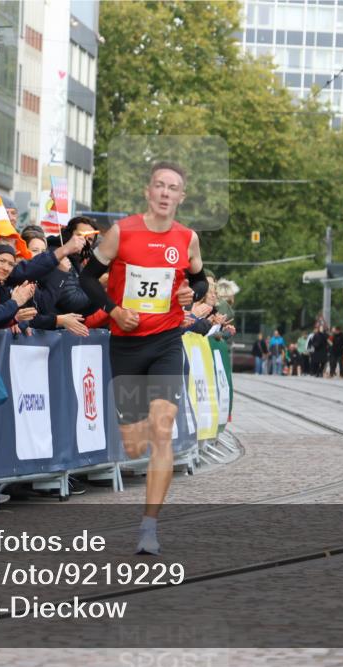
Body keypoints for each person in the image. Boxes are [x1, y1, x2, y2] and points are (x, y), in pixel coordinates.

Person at [77, 161, 202, 555]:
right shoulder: (122, 232)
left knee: (162, 430)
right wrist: (114, 311)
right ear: (149, 192)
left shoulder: (187, 238)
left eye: (174, 188)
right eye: (160, 186)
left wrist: (191, 294)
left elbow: (198, 277)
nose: (166, 193)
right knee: (134, 446)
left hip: (166, 340)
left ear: (181, 196)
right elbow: (85, 277)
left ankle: (149, 526)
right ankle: (143, 426)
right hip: (126, 343)